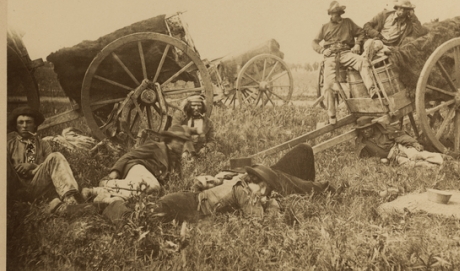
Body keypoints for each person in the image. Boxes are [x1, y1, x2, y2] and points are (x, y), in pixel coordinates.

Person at [97, 143, 334, 225]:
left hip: (190, 202)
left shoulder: (244, 185)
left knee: (144, 218)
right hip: (184, 203)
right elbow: (260, 224)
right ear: (254, 181)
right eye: (263, 188)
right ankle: (110, 201)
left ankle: (108, 203)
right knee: (139, 220)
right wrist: (271, 206)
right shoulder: (244, 190)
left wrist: (268, 200)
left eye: (268, 191)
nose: (264, 194)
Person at [82, 124, 197, 204]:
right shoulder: (155, 146)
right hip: (139, 168)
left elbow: (178, 181)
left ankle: (104, 196)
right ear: (170, 140)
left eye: (183, 141)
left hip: (147, 179)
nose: (182, 145)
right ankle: (100, 187)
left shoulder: (176, 160)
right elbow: (129, 155)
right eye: (179, 141)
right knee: (152, 186)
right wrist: (115, 172)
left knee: (143, 195)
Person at [7, 106, 80, 213]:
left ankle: (70, 199)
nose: (24, 126)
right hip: (16, 186)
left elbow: (51, 169)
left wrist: (32, 166)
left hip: (38, 186)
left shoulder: (43, 144)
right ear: (16, 126)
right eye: (21, 123)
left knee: (55, 156)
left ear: (35, 124)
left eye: (28, 122)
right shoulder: (10, 145)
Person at [312, 1, 364, 124]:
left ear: (341, 13)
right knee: (328, 86)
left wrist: (357, 44)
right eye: (334, 14)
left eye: (338, 14)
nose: (336, 16)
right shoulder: (324, 27)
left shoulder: (348, 23)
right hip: (331, 57)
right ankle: (332, 116)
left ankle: (369, 99)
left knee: (363, 62)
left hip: (346, 53)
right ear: (330, 14)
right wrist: (322, 50)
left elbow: (361, 32)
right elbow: (314, 42)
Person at [356, 116, 443, 168]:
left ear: (372, 127)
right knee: (410, 164)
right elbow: (366, 159)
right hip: (393, 157)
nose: (365, 131)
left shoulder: (384, 130)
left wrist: (413, 143)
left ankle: (442, 159)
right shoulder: (364, 143)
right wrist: (381, 160)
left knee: (416, 154)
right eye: (362, 130)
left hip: (400, 147)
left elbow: (400, 136)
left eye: (367, 128)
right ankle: (432, 166)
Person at [171, 95, 216, 160]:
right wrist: (185, 150)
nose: (196, 108)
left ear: (203, 107)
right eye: (193, 105)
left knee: (220, 156)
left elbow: (212, 141)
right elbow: (174, 134)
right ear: (189, 106)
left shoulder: (208, 122)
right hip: (183, 148)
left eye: (199, 105)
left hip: (200, 150)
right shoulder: (181, 118)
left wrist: (206, 148)